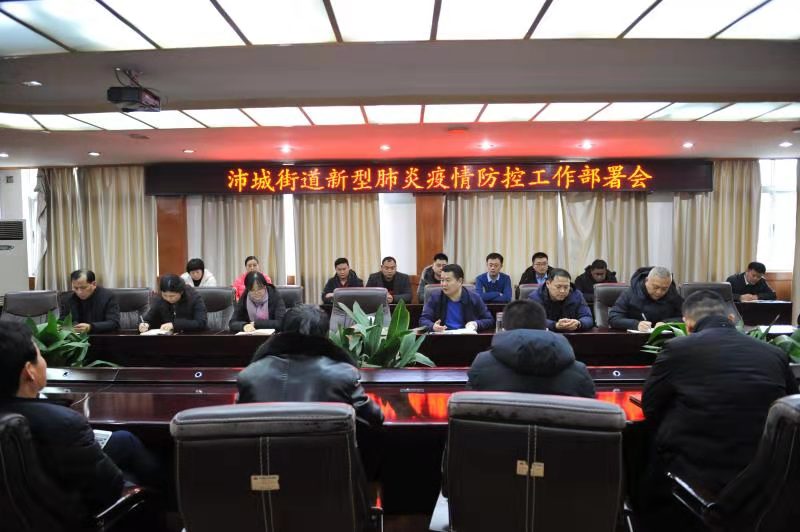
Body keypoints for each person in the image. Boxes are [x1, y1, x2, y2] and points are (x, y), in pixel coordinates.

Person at [638, 291, 797, 531]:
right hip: (762, 478)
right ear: (732, 320)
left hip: (697, 472)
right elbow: (790, 409)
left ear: (688, 325)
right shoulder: (773, 353)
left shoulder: (678, 349)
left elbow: (650, 407)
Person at [0, 322, 161, 516]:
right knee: (133, 475)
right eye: (40, 355)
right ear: (30, 371)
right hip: (65, 515)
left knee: (124, 440)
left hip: (20, 509)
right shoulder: (64, 423)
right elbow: (109, 488)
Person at [236, 304, 383, 427]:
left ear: (282, 333)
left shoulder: (250, 376)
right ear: (326, 336)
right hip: (328, 454)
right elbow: (375, 418)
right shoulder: (344, 375)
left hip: (267, 454)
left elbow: (239, 425)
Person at [467, 300, 595, 397]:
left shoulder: (482, 365)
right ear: (545, 328)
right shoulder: (578, 372)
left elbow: (469, 409)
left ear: (504, 329)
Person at [419, 264, 494, 332]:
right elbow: (423, 320)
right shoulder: (435, 297)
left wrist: (476, 324)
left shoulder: (474, 297)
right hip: (442, 338)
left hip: (466, 338)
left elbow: (489, 320)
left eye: (447, 280)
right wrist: (433, 326)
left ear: (460, 281)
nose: (444, 284)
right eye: (442, 280)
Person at [608, 266, 683, 331]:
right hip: (634, 338)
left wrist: (667, 324)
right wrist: (635, 324)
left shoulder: (673, 294)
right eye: (655, 287)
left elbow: (685, 318)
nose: (659, 292)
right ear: (646, 280)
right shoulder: (630, 293)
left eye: (664, 289)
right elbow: (613, 318)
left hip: (664, 339)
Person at [528, 268, 594, 331]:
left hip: (572, 335)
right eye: (558, 287)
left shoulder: (576, 295)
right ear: (548, 284)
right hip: (546, 335)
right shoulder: (535, 297)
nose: (562, 291)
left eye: (566, 287)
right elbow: (532, 320)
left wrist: (579, 323)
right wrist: (555, 325)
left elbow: (588, 318)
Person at [139, 274, 207, 333]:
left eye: (172, 296)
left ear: (181, 292)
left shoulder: (194, 297)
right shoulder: (160, 299)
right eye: (165, 295)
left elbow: (201, 323)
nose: (168, 299)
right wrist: (145, 324)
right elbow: (149, 318)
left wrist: (174, 325)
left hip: (192, 337)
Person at [58, 269, 120, 334]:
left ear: (94, 284)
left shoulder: (108, 296)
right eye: (75, 288)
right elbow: (63, 321)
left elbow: (114, 323)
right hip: (76, 337)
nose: (79, 292)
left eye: (83, 288)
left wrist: (91, 327)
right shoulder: (68, 298)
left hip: (101, 336)